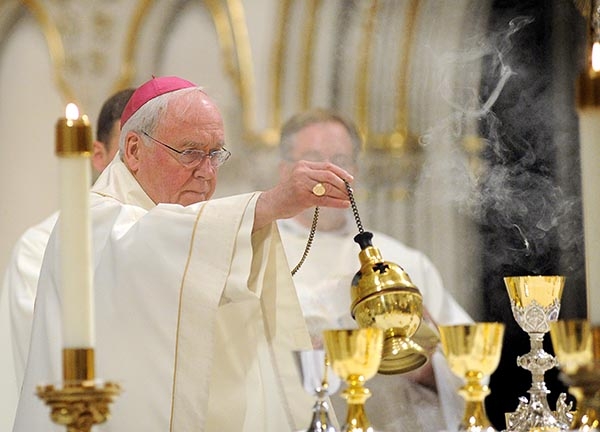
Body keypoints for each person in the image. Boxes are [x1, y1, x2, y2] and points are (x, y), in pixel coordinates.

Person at [12, 76, 354, 432]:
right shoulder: (90, 222)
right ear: (132, 150)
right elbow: (144, 249)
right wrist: (268, 204)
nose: (207, 173)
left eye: (215, 155)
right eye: (191, 152)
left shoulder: (196, 230)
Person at [276, 108, 474, 432]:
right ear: (286, 171)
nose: (330, 173)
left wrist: (425, 367)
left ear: (355, 170)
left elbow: (469, 364)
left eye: (340, 159)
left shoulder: (400, 261)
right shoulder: (259, 256)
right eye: (314, 160)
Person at [0, 88, 134, 432]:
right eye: (128, 151)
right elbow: (44, 360)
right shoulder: (41, 246)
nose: (137, 167)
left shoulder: (177, 242)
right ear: (97, 155)